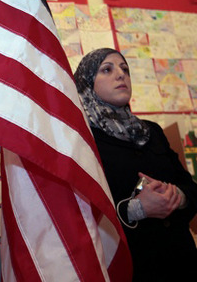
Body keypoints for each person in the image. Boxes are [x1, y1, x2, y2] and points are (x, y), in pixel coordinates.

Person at [74, 47, 197, 282]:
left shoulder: (153, 131)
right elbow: (82, 214)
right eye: (107, 70)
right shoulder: (83, 139)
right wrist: (136, 209)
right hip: (131, 268)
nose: (120, 75)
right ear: (86, 83)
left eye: (125, 69)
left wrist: (177, 196)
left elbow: (191, 188)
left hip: (183, 262)